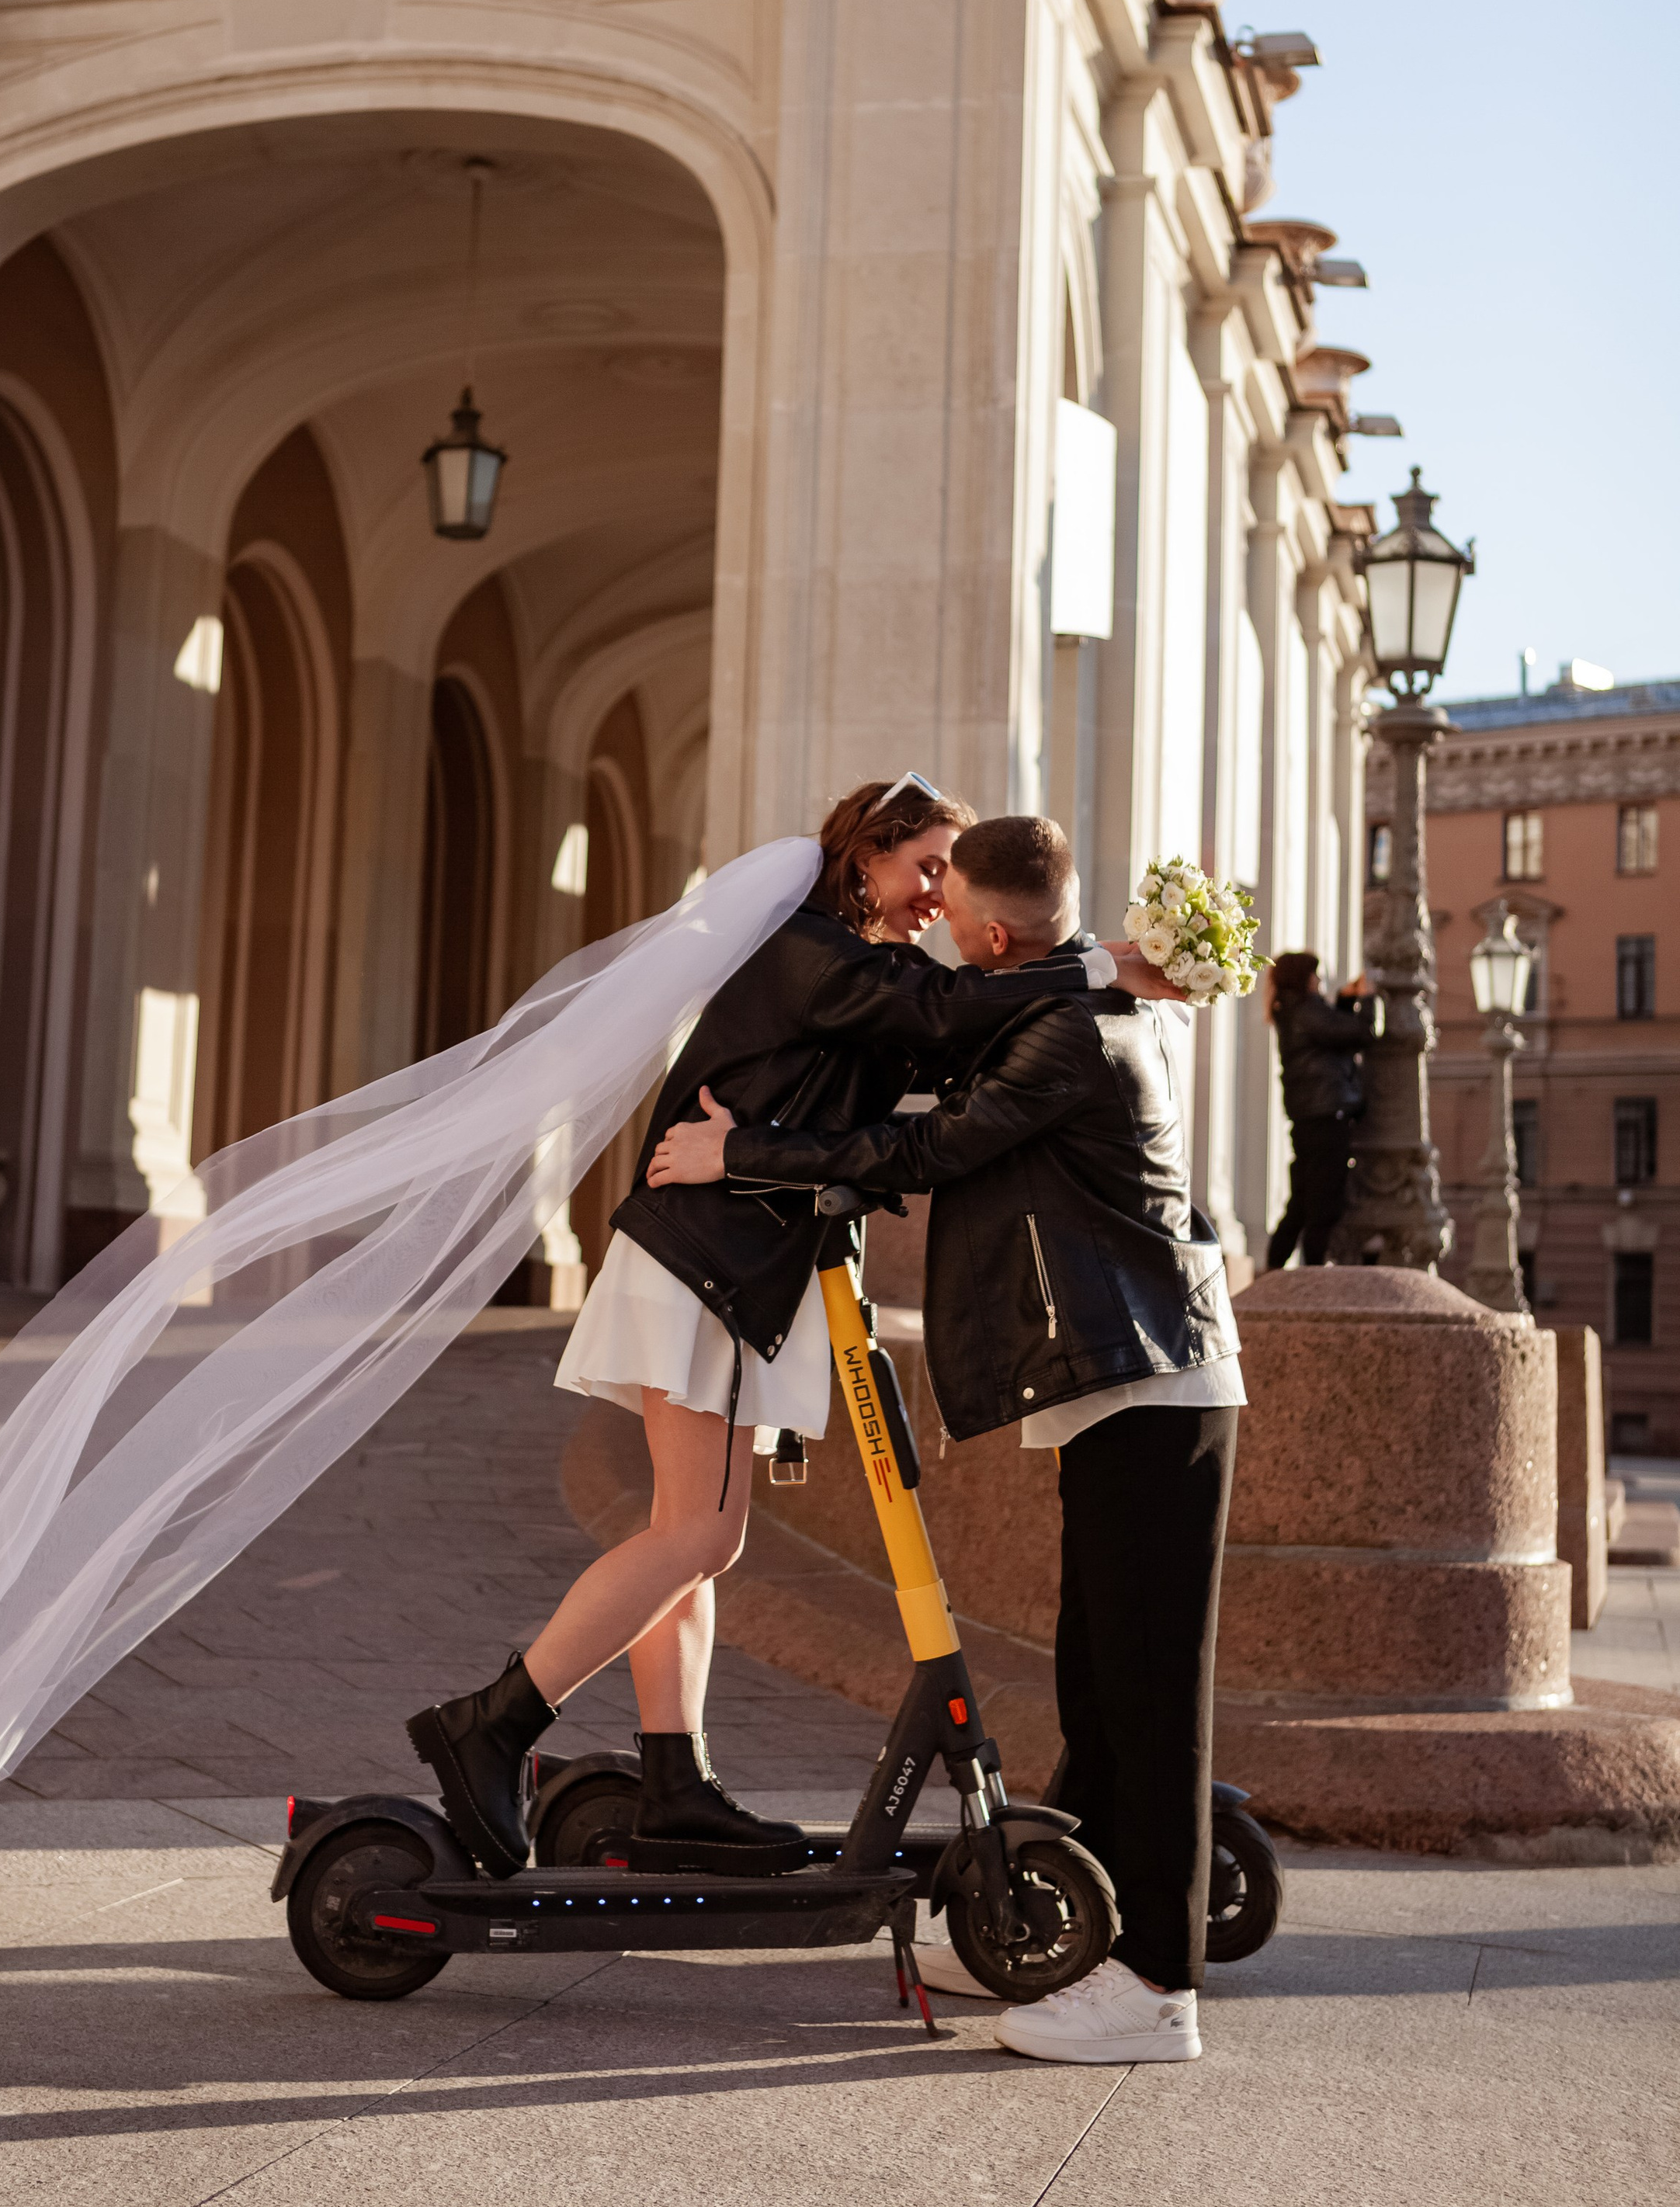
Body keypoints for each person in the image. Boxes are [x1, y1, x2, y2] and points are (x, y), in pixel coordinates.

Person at [406, 776, 1182, 1883]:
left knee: (691, 1535)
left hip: (724, 1265)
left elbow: (944, 1048)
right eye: (926, 868)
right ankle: (490, 1723)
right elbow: (942, 1016)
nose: (934, 895)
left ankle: (673, 1785)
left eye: (950, 880)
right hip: (707, 1262)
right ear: (867, 855)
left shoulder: (858, 970)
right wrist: (1106, 963)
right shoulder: (808, 948)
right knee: (702, 1536)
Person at [648, 813, 1242, 2065]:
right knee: (1102, 1683)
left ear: (987, 928)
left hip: (1160, 1387)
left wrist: (732, 1153)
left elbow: (927, 1145)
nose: (941, 939)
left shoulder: (1072, 1036)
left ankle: (1155, 1988)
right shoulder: (1064, 1014)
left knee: (1151, 1695)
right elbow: (918, 1086)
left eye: (950, 909)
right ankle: (1062, 1933)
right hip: (1125, 1385)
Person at [1263, 950, 1374, 1269]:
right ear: (1304, 978)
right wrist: (1366, 1000)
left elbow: (1333, 1034)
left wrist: (1343, 998)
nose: (1320, 979)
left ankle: (1274, 1274)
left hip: (1311, 1118)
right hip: (1326, 1117)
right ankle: (1313, 1274)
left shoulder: (1295, 1010)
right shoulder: (1305, 1011)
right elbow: (1358, 1034)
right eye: (1316, 974)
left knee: (1301, 1203)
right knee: (1323, 1204)